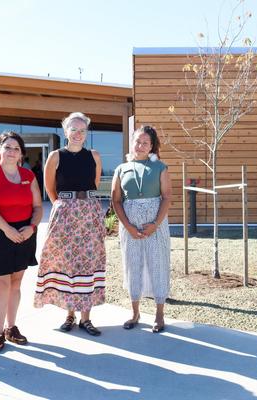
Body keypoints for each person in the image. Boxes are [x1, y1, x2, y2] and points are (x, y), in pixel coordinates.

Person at [34, 112, 106, 336]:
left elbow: (93, 184)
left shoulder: (93, 155)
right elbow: (49, 187)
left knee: (88, 262)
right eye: (73, 129)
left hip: (89, 213)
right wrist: (63, 206)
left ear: (86, 133)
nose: (77, 134)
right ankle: (69, 315)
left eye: (82, 130)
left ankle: (86, 318)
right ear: (65, 131)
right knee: (66, 263)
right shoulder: (56, 156)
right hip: (65, 212)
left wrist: (82, 205)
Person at [0, 132, 43, 352]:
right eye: (7, 147)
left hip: (24, 233)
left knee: (16, 284)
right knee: (1, 286)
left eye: (16, 148)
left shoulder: (28, 175)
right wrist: (7, 230)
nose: (11, 151)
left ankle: (11, 328)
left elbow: (38, 207)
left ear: (21, 153)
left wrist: (31, 228)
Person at [111, 125, 172, 333]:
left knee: (158, 264)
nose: (140, 145)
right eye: (137, 141)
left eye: (146, 142)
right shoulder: (121, 169)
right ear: (132, 142)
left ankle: (159, 314)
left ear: (152, 146)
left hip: (156, 225)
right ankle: (135, 312)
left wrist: (155, 224)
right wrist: (127, 226)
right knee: (132, 265)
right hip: (130, 227)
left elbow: (167, 197)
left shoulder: (160, 168)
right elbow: (116, 200)